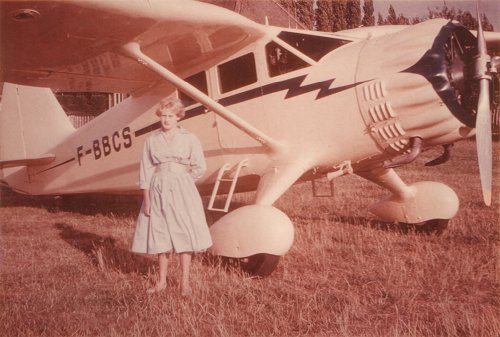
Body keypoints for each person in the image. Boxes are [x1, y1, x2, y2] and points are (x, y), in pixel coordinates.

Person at [131, 95, 212, 297]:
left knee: (184, 232)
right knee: (161, 233)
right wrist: (147, 199)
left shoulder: (190, 138)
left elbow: (200, 167)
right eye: (163, 116)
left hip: (182, 188)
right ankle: (161, 282)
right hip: (158, 187)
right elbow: (146, 171)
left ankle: (184, 284)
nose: (166, 119)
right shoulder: (151, 140)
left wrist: (182, 179)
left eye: (171, 116)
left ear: (178, 117)